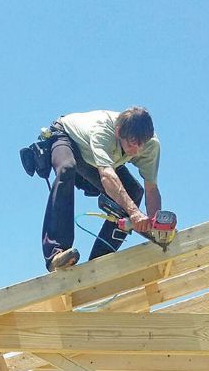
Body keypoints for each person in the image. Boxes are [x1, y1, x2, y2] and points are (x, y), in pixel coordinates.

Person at [42, 107, 162, 272]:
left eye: (141, 145)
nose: (136, 150)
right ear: (119, 132)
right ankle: (56, 254)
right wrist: (134, 213)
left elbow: (151, 188)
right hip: (67, 138)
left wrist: (157, 227)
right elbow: (107, 176)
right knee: (66, 169)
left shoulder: (150, 145)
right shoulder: (103, 130)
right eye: (131, 144)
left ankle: (101, 259)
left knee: (134, 193)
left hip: (99, 159)